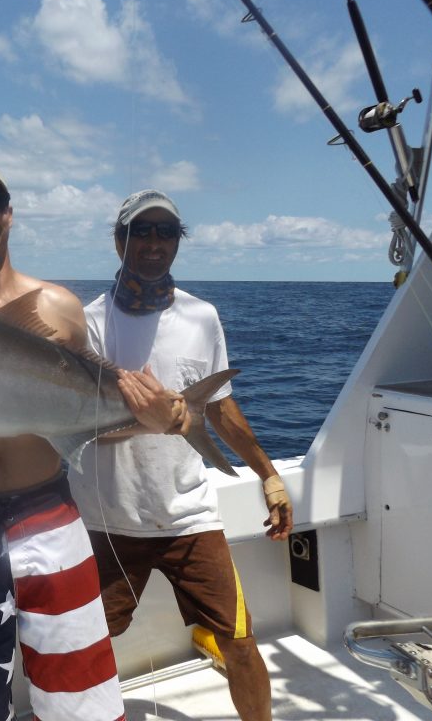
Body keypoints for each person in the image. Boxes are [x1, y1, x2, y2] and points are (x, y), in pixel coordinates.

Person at [0, 160, 186, 721]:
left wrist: (169, 417)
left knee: (79, 695)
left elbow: (89, 415)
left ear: (10, 211)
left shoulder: (59, 307)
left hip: (51, 513)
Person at [69, 189, 294, 721]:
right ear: (118, 240)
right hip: (106, 518)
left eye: (165, 232)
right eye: (140, 231)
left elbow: (218, 408)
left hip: (189, 518)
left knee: (238, 641)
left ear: (178, 241)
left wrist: (269, 477)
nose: (153, 242)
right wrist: (161, 422)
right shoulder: (89, 322)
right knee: (85, 647)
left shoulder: (202, 317)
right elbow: (79, 424)